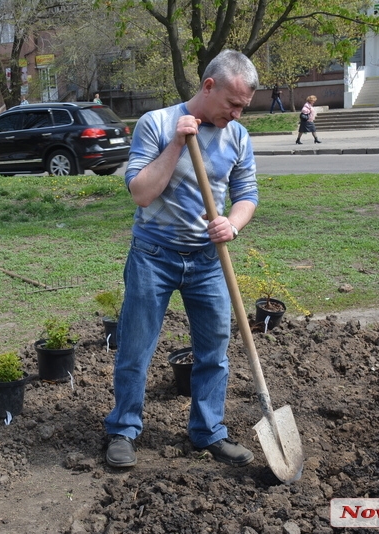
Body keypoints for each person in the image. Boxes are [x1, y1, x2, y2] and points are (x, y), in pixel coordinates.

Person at [104, 49, 259, 469]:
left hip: (209, 259)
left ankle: (209, 432)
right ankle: (122, 429)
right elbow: (141, 192)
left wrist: (233, 224)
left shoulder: (238, 137)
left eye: (243, 107)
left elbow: (247, 195)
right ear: (209, 87)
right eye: (233, 105)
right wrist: (176, 142)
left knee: (214, 351)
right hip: (153, 256)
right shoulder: (155, 123)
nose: (237, 115)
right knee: (136, 348)